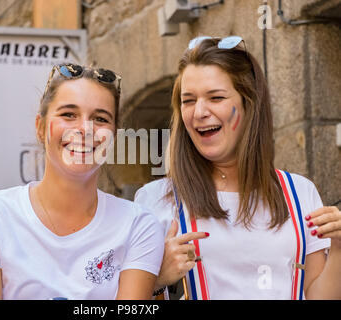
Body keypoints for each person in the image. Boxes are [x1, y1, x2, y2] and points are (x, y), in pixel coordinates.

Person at [135, 36, 341, 300]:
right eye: (188, 100)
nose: (199, 112)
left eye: (216, 97)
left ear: (249, 105)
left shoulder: (300, 193)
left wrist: (337, 247)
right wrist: (158, 280)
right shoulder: (157, 199)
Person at [0, 63, 164, 300]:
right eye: (68, 114)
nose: (85, 129)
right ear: (40, 127)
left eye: (100, 118)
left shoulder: (138, 225)